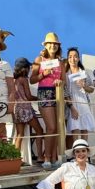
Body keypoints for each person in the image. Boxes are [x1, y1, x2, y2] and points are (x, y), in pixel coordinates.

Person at [30, 32, 65, 169]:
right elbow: (32, 79)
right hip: (44, 93)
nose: (53, 46)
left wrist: (59, 81)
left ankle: (54, 157)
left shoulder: (61, 62)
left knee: (56, 127)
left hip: (57, 94)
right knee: (51, 127)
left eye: (55, 44)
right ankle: (47, 157)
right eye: (50, 43)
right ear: (46, 45)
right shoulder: (39, 59)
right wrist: (43, 74)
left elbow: (64, 80)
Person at [12, 57, 44, 156]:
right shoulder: (24, 79)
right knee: (39, 130)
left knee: (20, 134)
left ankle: (15, 157)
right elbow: (29, 96)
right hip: (26, 109)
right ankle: (39, 156)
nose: (29, 69)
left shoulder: (13, 80)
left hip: (16, 109)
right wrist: (40, 98)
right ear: (24, 68)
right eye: (28, 67)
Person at [65, 47, 95, 143]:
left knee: (84, 129)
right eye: (70, 57)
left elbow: (91, 89)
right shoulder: (65, 74)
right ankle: (76, 154)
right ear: (68, 59)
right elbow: (64, 92)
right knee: (75, 128)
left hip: (84, 103)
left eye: (75, 56)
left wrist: (84, 86)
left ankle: (85, 152)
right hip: (72, 104)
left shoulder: (84, 72)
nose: (72, 59)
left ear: (78, 58)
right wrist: (72, 108)